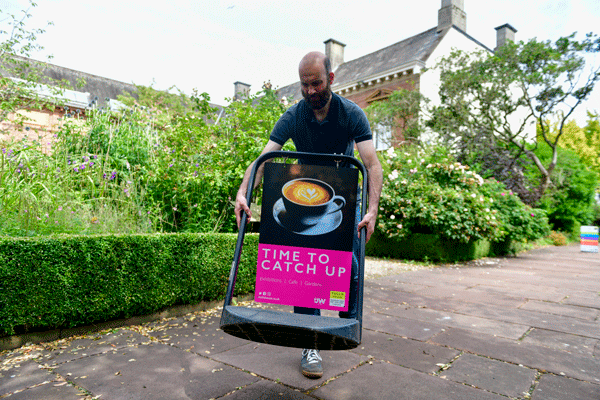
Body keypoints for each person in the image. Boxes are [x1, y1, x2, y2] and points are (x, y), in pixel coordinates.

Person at [234, 51, 383, 379]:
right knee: (305, 269)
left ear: (330, 78)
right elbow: (263, 160)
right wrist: (244, 192)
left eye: (316, 83)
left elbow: (371, 163)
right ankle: (310, 343)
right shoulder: (293, 116)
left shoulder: (351, 113)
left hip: (341, 197)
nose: (311, 91)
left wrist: (372, 211)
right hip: (300, 199)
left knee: (351, 267)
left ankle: (345, 323)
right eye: (305, 85)